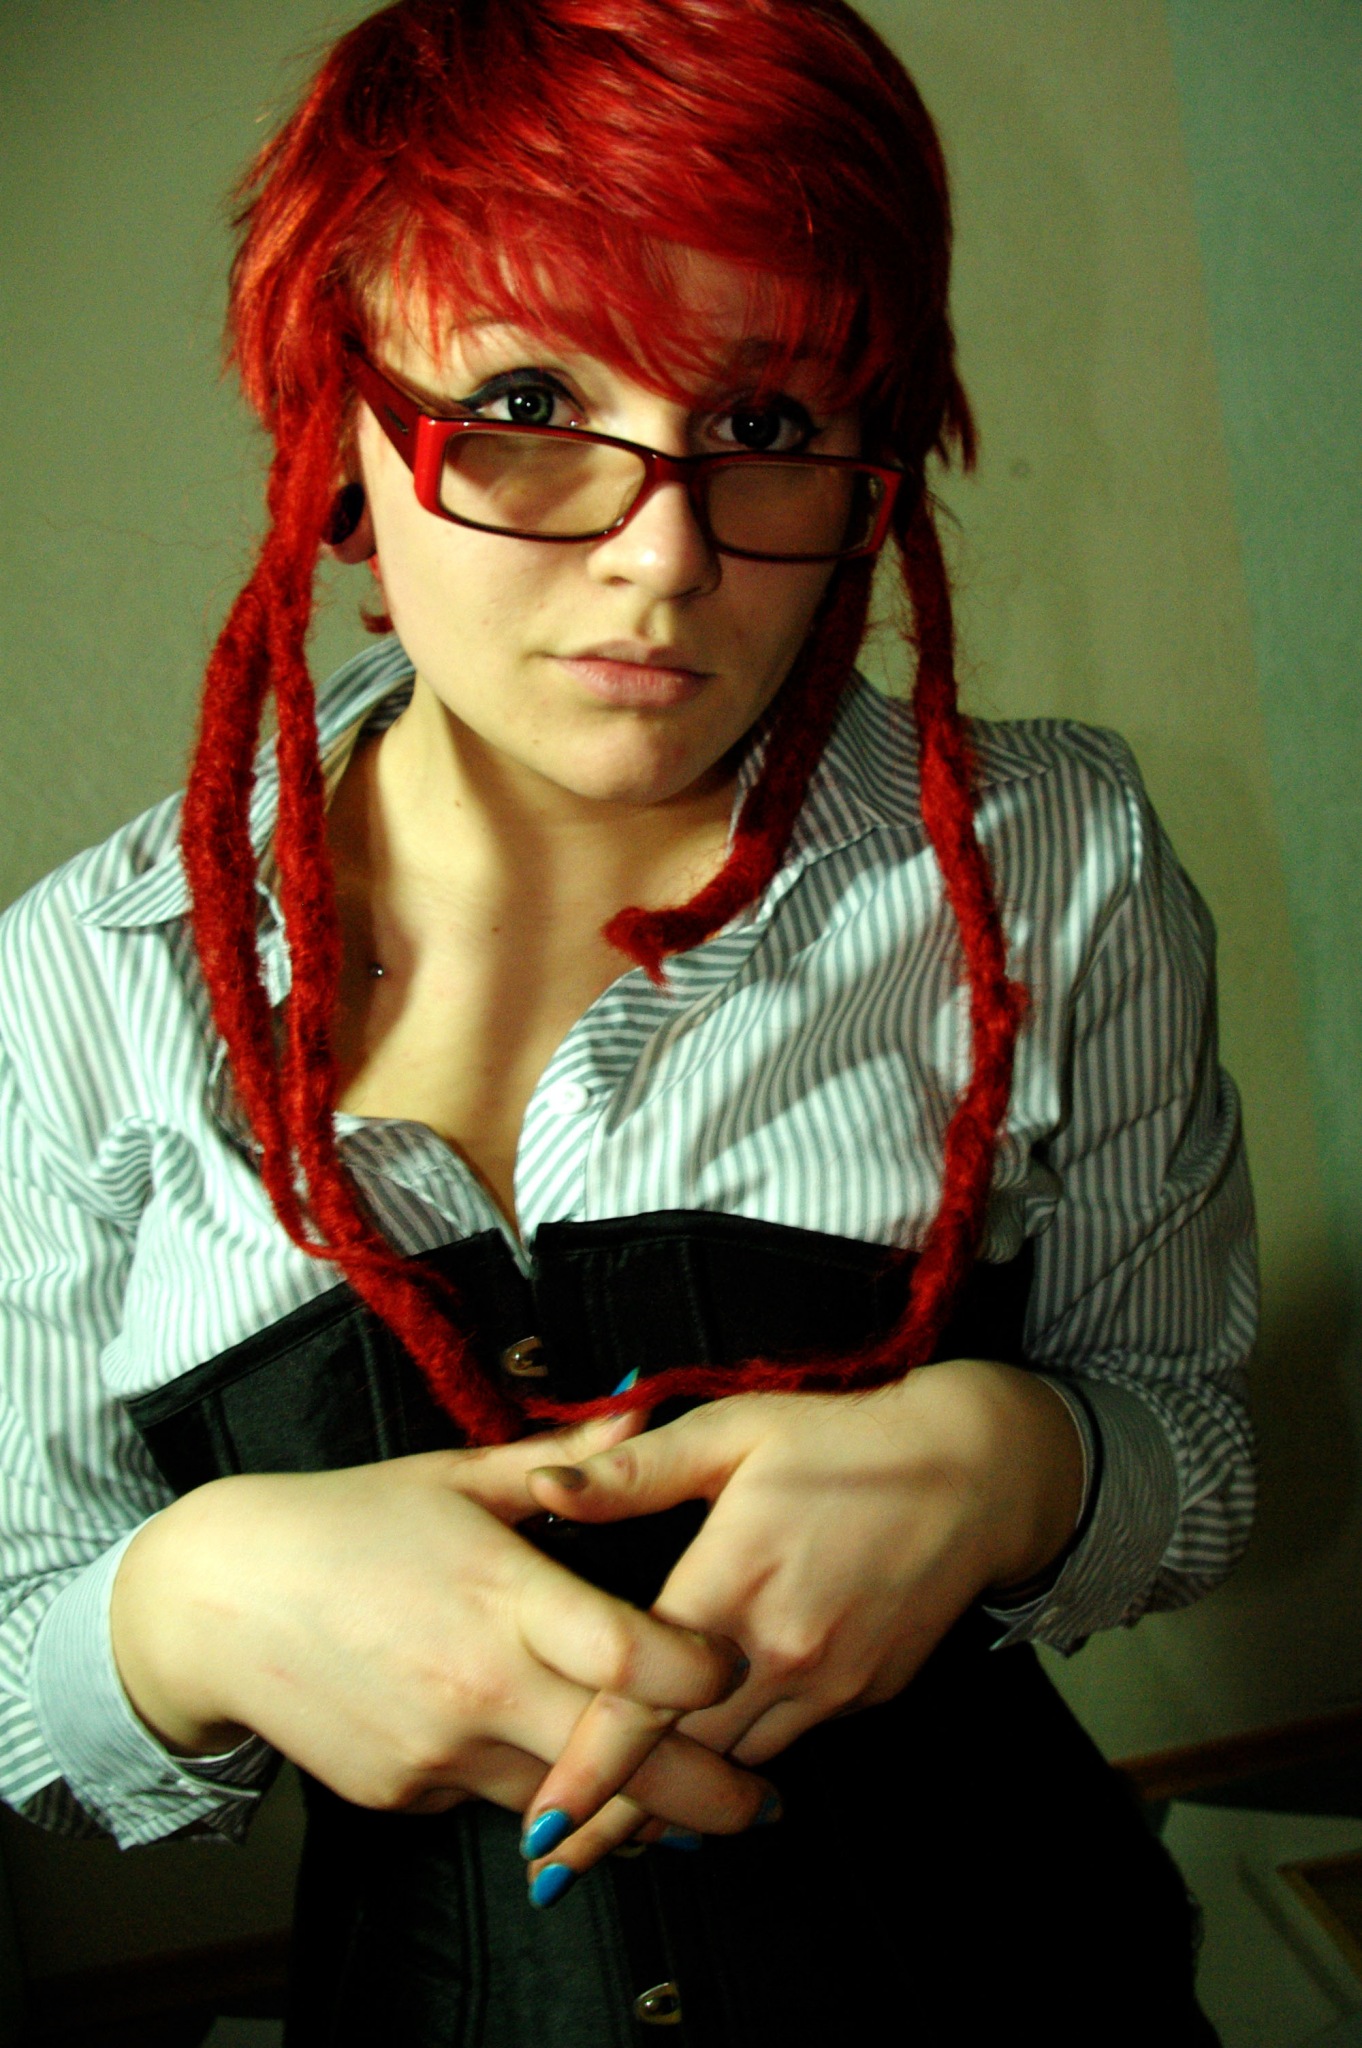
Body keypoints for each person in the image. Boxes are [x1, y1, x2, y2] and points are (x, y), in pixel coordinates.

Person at [0, 2, 1256, 2041]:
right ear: (333, 434)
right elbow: (15, 1657)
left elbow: (1191, 1440)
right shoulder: (81, 982)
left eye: (764, 422)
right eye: (523, 399)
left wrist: (1018, 1455)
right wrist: (191, 1602)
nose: (665, 558)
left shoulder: (1052, 859)